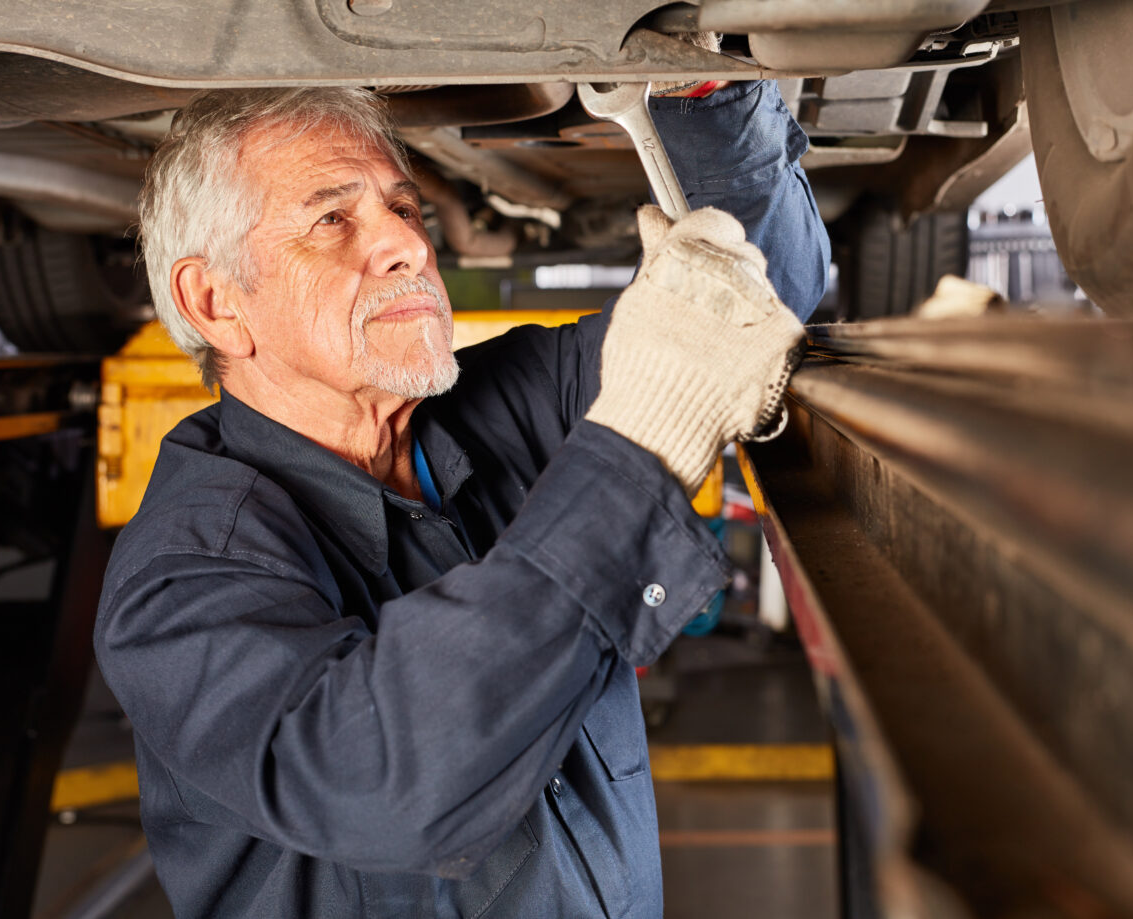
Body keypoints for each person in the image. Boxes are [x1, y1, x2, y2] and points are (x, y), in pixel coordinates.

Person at [95, 77, 829, 919]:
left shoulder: (496, 407)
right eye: (332, 219)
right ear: (215, 302)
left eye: (405, 209)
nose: (407, 246)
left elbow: (756, 296)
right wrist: (637, 442)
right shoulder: (182, 575)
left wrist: (702, 87)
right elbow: (381, 778)